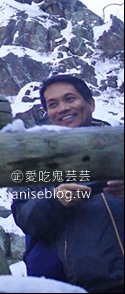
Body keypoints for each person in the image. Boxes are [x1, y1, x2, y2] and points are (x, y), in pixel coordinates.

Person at [11, 74, 124, 293]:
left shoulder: (120, 145)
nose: (62, 108)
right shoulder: (36, 162)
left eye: (69, 99)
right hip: (87, 285)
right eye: (53, 104)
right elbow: (25, 216)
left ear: (90, 104)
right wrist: (55, 200)